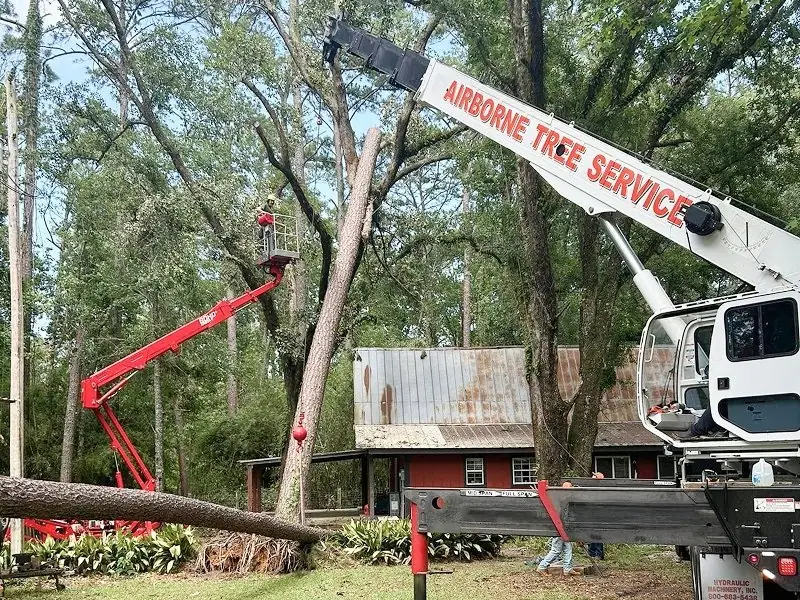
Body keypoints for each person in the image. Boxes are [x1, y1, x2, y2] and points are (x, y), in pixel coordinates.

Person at [536, 482, 580, 576]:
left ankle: (567, 568)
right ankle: (542, 567)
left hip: (563, 528)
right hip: (558, 528)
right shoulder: (561, 499)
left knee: (568, 548)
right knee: (556, 550)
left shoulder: (563, 498)